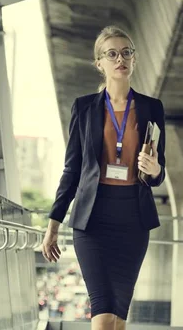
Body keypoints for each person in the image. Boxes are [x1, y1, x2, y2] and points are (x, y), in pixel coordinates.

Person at [42, 26, 166, 330]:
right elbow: (72, 169)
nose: (119, 58)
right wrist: (53, 224)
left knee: (118, 318)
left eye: (126, 52)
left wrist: (155, 170)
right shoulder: (84, 108)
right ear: (100, 63)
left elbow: (160, 171)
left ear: (134, 59)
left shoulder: (152, 108)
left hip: (133, 220)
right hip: (93, 218)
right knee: (102, 312)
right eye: (111, 53)